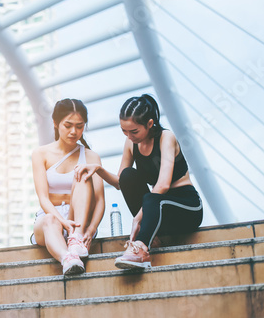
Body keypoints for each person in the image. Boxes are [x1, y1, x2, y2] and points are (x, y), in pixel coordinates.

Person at [74, 94, 203, 269]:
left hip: (186, 208)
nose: (129, 136)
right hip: (157, 211)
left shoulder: (166, 137)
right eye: (124, 131)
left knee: (152, 198)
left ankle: (141, 248)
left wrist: (138, 217)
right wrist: (98, 169)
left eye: (134, 131)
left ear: (150, 124)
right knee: (128, 175)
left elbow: (163, 185)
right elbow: (121, 183)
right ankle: (151, 236)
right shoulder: (130, 143)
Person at [31, 98, 105, 275]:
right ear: (56, 123)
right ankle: (68, 259)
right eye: (68, 125)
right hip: (51, 219)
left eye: (79, 126)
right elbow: (43, 198)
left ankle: (76, 241)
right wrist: (62, 221)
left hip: (80, 223)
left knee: (82, 174)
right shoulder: (41, 154)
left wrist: (92, 228)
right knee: (50, 220)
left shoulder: (90, 156)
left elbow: (100, 200)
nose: (74, 131)